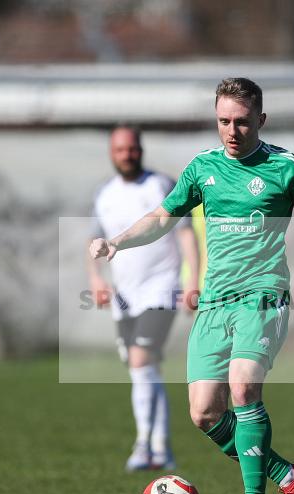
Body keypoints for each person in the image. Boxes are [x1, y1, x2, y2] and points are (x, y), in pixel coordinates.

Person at [89, 78, 294, 494]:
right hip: (214, 302)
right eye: (224, 121)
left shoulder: (287, 168)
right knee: (205, 412)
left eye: (242, 121)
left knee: (244, 386)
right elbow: (162, 220)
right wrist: (117, 242)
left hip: (263, 295)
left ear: (261, 121)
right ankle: (288, 475)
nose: (232, 130)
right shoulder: (202, 170)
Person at [87, 125, 200, 472]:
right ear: (111, 153)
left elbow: (185, 234)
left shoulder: (160, 185)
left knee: (140, 360)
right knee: (144, 369)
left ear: (141, 149)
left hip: (162, 286)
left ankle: (142, 445)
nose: (127, 155)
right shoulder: (104, 194)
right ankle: (162, 448)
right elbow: (95, 241)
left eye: (132, 148)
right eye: (120, 149)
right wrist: (95, 278)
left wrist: (193, 278)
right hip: (124, 294)